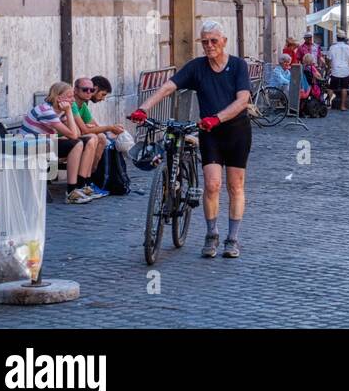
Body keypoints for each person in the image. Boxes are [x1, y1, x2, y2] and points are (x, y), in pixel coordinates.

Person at [131, 20, 252, 259]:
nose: (209, 46)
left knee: (235, 186)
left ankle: (233, 238)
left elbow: (242, 101)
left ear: (224, 42)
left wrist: (217, 118)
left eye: (213, 41)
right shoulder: (197, 67)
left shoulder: (238, 66)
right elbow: (168, 87)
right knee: (212, 184)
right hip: (210, 134)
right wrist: (143, 108)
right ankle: (212, 234)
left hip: (237, 131)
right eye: (204, 41)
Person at [24, 82, 99, 204]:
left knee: (89, 139)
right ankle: (71, 191)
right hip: (32, 148)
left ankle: (81, 185)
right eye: (69, 96)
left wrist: (69, 117)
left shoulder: (57, 110)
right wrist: (69, 112)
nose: (73, 100)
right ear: (59, 98)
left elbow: (77, 132)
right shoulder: (47, 111)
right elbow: (74, 135)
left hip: (43, 143)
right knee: (77, 144)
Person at [71, 76, 125, 199]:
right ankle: (83, 183)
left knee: (100, 137)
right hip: (55, 139)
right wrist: (109, 127)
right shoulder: (72, 103)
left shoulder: (83, 106)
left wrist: (108, 129)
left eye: (91, 90)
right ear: (75, 90)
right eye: (85, 90)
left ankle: (89, 179)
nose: (89, 93)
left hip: (71, 138)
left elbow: (94, 126)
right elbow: (85, 130)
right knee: (94, 138)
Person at [328, 31, 349, 112]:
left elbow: (329, 59)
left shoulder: (332, 47)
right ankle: (343, 106)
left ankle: (328, 103)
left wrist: (329, 68)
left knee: (331, 87)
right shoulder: (348, 47)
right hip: (345, 70)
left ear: (337, 38)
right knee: (344, 88)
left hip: (335, 69)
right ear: (344, 39)